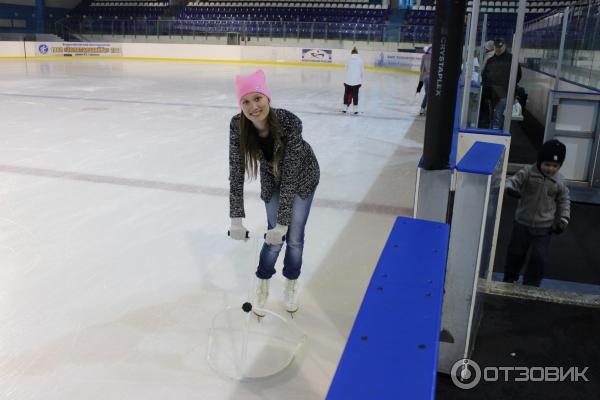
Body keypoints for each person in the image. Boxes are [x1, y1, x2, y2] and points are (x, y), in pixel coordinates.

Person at [228, 69, 320, 315]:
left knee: (293, 236)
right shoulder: (238, 125)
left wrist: (283, 225)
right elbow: (236, 171)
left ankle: (291, 282)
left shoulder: (289, 122)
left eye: (257, 98)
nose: (252, 106)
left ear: (267, 97)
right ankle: (263, 282)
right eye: (245, 101)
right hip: (271, 178)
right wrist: (236, 219)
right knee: (273, 236)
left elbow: (290, 176)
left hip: (302, 177)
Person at [502, 139, 570, 287]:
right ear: (539, 161)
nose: (550, 169)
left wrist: (564, 219)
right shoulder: (527, 171)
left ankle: (532, 283)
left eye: (555, 166)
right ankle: (510, 277)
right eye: (547, 164)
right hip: (522, 222)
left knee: (539, 257)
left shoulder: (560, 181)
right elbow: (512, 181)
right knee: (516, 252)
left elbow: (564, 200)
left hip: (544, 227)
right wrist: (510, 189)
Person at [480, 37, 522, 130]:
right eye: (496, 47)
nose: (498, 49)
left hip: (505, 93)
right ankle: (494, 134)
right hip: (492, 94)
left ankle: (497, 135)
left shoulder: (512, 59)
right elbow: (485, 76)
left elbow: (518, 76)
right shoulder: (491, 60)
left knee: (498, 117)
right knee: (493, 116)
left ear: (504, 46)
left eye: (500, 47)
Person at [342, 47, 364, 115]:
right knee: (355, 95)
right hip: (356, 81)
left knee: (346, 94)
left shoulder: (348, 59)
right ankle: (355, 109)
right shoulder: (360, 60)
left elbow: (345, 69)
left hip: (348, 80)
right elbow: (362, 71)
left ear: (351, 53)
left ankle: (344, 108)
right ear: (357, 53)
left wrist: (345, 79)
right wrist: (360, 81)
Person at [417, 45, 432, 116]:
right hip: (430, 77)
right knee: (428, 94)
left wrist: (421, 79)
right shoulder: (434, 57)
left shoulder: (424, 56)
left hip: (425, 77)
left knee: (427, 93)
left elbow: (421, 68)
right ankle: (423, 108)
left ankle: (425, 108)